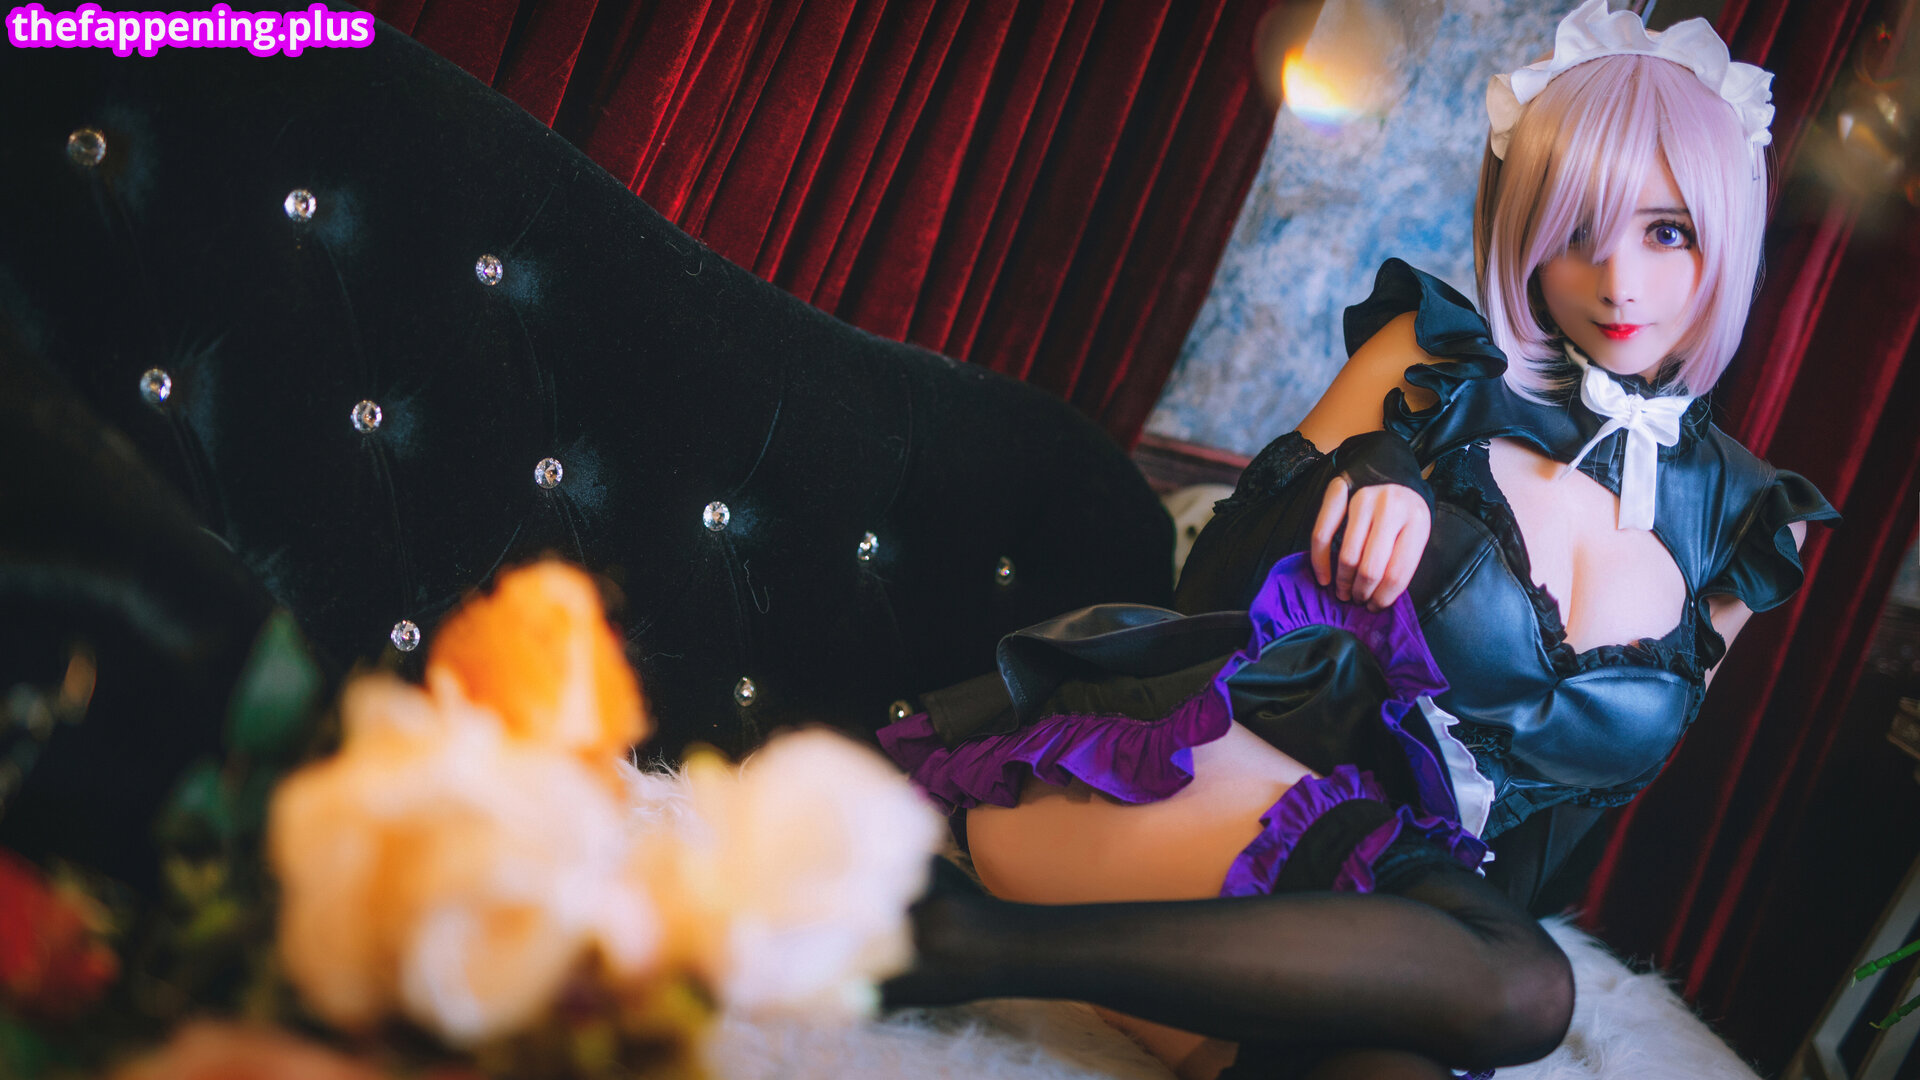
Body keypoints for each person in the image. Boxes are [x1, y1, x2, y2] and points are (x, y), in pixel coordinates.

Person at [876, 2, 1839, 1077]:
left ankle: (951, 941)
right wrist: (1370, 472)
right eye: (1577, 230)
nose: (1619, 280)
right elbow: (1207, 603)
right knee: (1530, 987)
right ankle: (957, 945)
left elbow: (1569, 824)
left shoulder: (1751, 526)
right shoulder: (1428, 364)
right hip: (1156, 784)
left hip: (1382, 935)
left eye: (1666, 231)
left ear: (1727, 232)